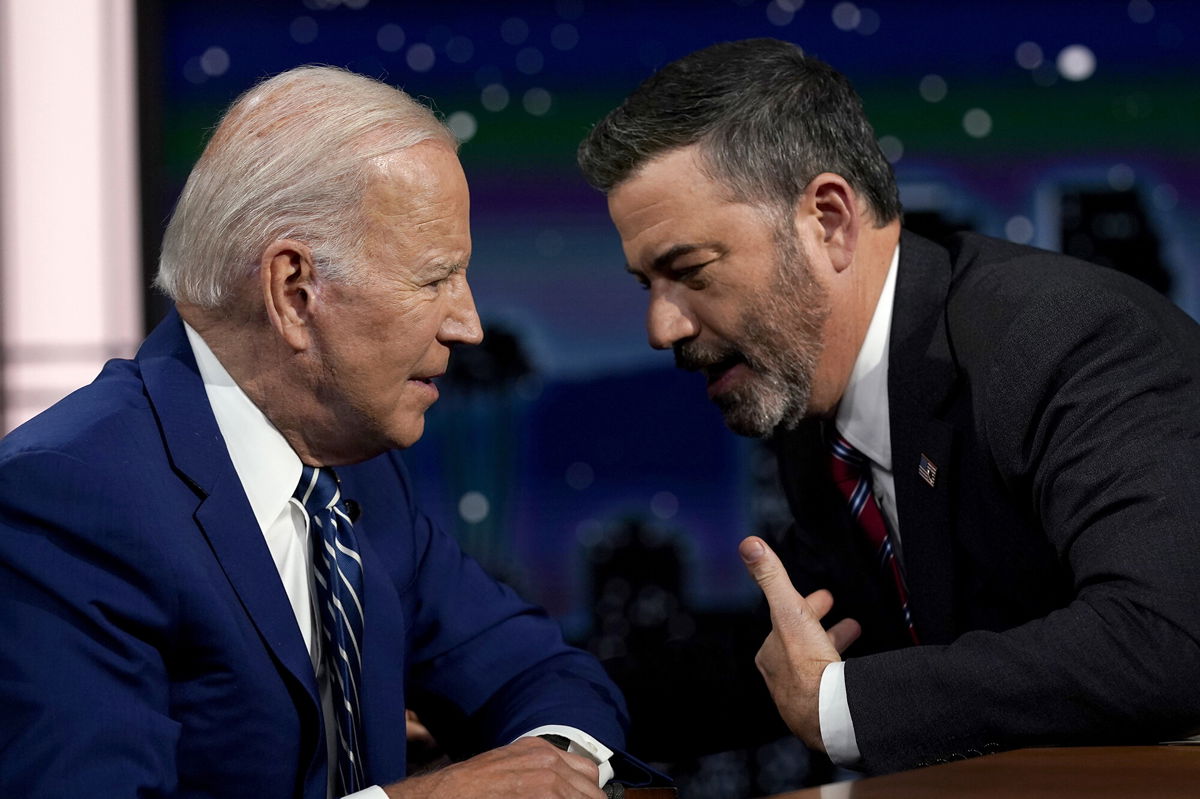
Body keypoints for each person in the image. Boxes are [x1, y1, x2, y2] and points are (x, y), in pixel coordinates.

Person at [0, 66, 655, 799]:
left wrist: (549, 766)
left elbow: (541, 673)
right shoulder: (64, 499)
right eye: (436, 277)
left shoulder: (358, 471)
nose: (465, 323)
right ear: (294, 290)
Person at [576, 38, 1200, 775]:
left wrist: (843, 706)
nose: (662, 326)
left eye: (688, 271)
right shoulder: (815, 413)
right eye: (646, 284)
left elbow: (1168, 638)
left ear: (830, 220)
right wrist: (533, 725)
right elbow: (794, 652)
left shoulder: (1061, 339)